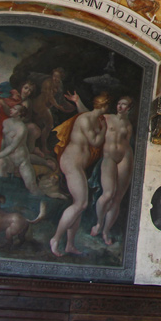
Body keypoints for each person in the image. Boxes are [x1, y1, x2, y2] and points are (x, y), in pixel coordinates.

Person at [49, 92, 109, 257]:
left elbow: (84, 112)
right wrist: (103, 130)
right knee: (81, 204)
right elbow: (95, 141)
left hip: (78, 165)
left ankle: (69, 245)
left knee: (79, 204)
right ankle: (55, 238)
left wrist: (78, 101)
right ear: (104, 106)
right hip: (71, 163)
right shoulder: (86, 120)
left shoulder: (90, 116)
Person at [89, 95, 134, 246]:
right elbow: (88, 116)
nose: (120, 106)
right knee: (108, 194)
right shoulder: (106, 118)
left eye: (124, 104)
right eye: (119, 103)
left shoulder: (128, 125)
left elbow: (127, 142)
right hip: (109, 158)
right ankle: (99, 223)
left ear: (128, 108)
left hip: (125, 158)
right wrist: (77, 102)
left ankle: (106, 231)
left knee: (117, 198)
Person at [0, 104, 44, 195]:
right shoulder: (6, 122)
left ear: (20, 113)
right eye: (12, 108)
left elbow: (12, 147)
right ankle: (1, 195)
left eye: (14, 109)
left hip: (21, 160)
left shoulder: (21, 128)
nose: (11, 109)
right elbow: (4, 140)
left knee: (32, 187)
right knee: (1, 163)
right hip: (9, 158)